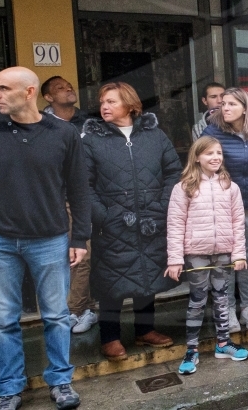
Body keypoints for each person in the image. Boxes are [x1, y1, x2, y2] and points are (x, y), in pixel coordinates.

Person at [0, 67, 88, 410]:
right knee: (3, 322)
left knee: (57, 316)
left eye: (4, 88)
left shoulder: (63, 132)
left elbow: (78, 188)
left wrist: (81, 238)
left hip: (50, 239)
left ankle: (61, 383)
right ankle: (10, 389)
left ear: (29, 92)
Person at [79, 82, 182, 360]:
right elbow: (82, 185)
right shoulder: (91, 140)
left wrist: (162, 207)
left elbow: (174, 172)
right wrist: (104, 215)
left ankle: (144, 331)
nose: (104, 107)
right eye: (102, 102)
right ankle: (110, 337)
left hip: (151, 219)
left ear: (130, 104)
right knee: (112, 282)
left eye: (111, 101)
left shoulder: (154, 135)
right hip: (113, 224)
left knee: (147, 276)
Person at [165, 136, 248, 375]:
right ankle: (191, 349)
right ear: (197, 157)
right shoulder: (184, 187)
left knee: (223, 299)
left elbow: (238, 222)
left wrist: (239, 254)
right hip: (197, 255)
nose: (215, 158)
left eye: (219, 153)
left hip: (223, 253)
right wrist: (175, 259)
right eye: (209, 154)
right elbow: (175, 224)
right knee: (197, 300)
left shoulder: (230, 187)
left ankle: (223, 344)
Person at [198, 87, 248, 332]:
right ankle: (228, 310)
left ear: (245, 108)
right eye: (223, 104)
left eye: (232, 104)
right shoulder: (212, 132)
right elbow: (200, 168)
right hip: (222, 208)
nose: (226, 108)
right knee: (226, 261)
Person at [40, 75, 97, 334]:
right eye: (59, 88)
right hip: (52, 199)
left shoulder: (88, 122)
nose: (68, 89)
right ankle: (78, 309)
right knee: (63, 257)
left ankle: (77, 310)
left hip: (87, 195)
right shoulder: (41, 124)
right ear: (48, 97)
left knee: (84, 256)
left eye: (69, 85)